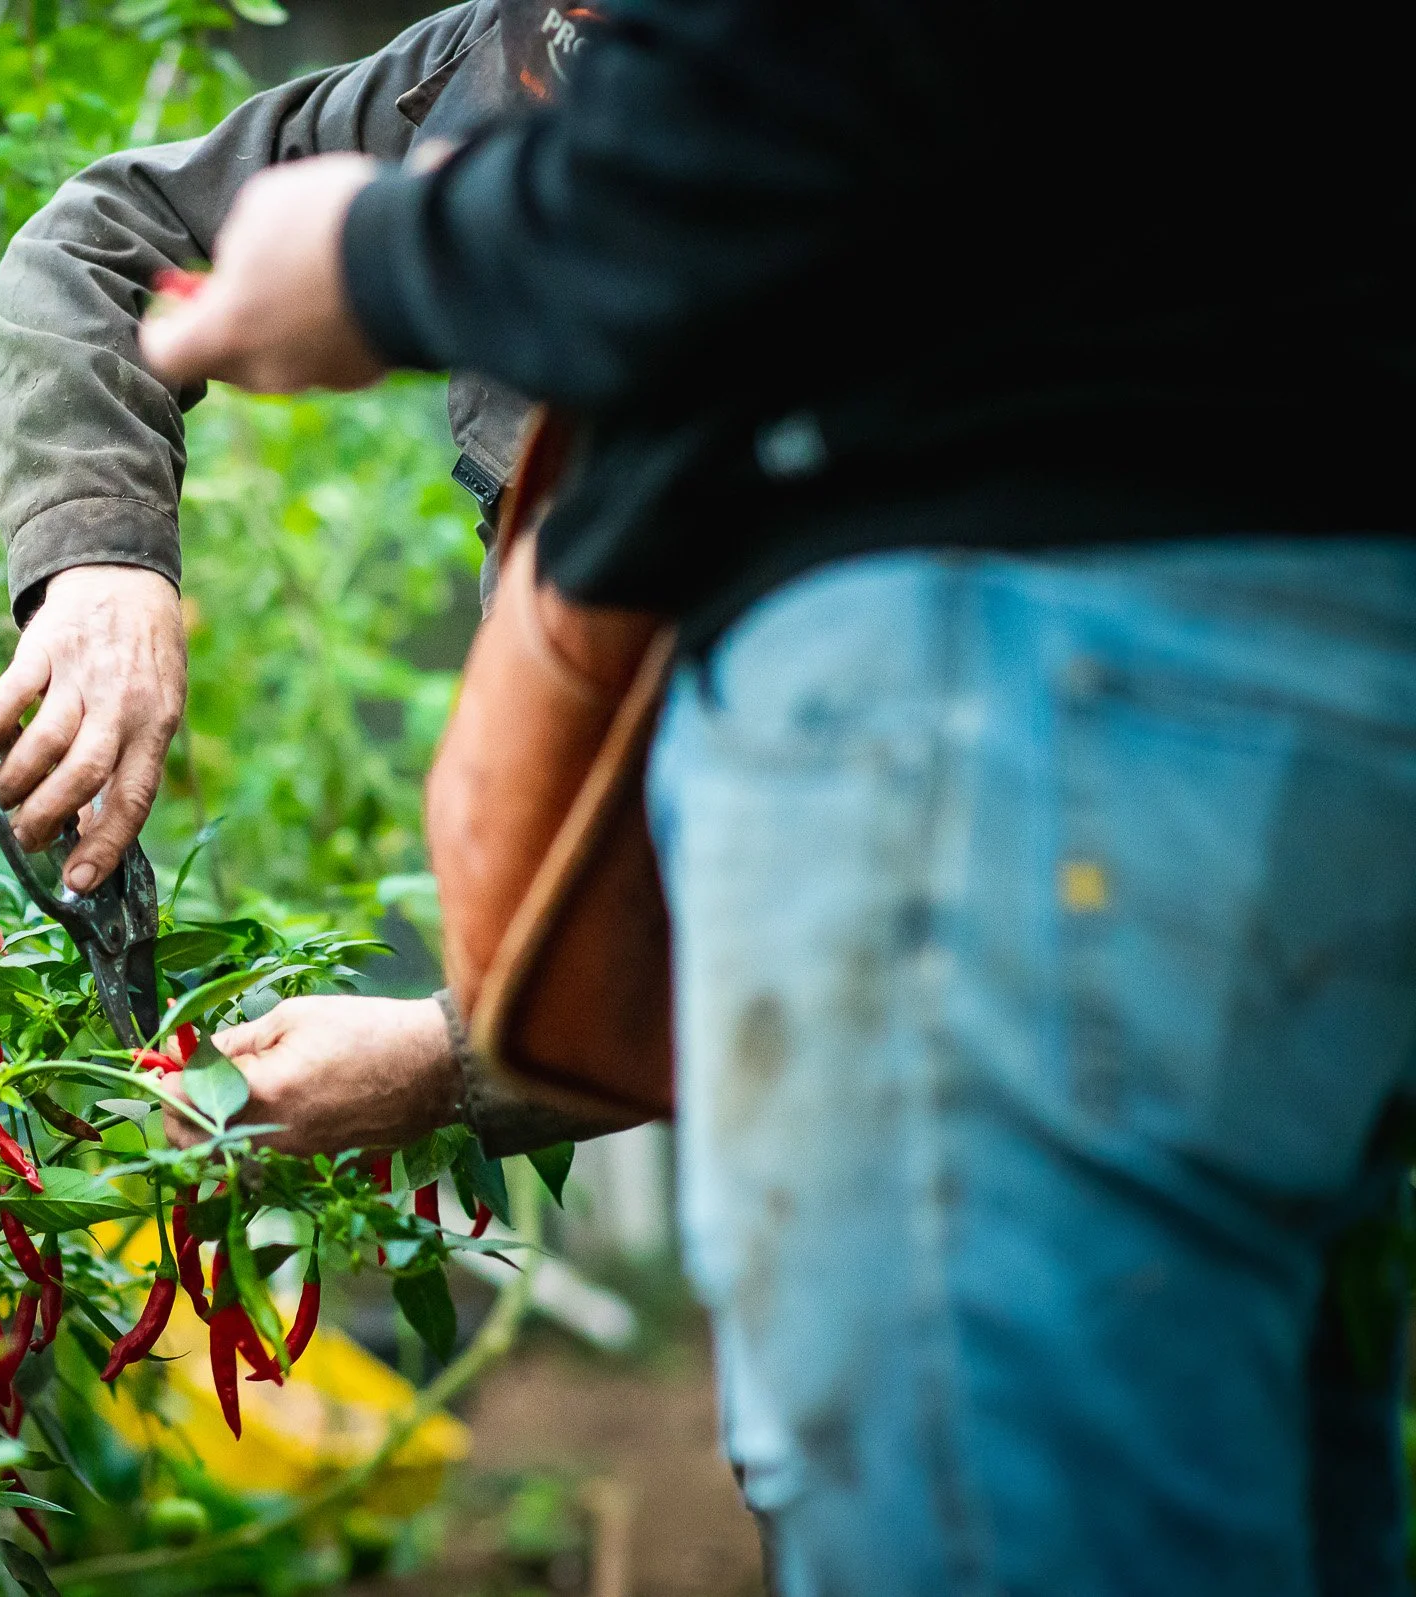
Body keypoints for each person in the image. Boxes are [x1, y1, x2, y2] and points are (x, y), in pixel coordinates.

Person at [133, 3, 1416, 1595]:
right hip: (1319, 675)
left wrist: (385, 258)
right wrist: (100, 570)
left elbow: (819, 100)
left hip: (1009, 718)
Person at [0, 0, 626, 1159]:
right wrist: (100, 560)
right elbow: (99, 245)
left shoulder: (885, 134)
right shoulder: (500, 60)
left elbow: (862, 896)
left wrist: (449, 1062)